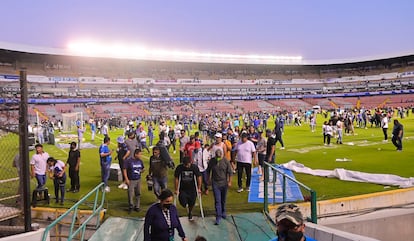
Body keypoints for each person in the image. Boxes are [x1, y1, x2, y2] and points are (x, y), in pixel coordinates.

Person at [206, 149, 233, 225]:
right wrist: (208, 180)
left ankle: (223, 211)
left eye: (219, 157)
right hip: (215, 183)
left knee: (223, 199)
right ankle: (218, 216)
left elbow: (230, 172)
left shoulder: (225, 161)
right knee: (217, 200)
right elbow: (208, 170)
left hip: (224, 183)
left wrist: (229, 181)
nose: (218, 158)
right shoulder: (212, 161)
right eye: (217, 156)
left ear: (222, 155)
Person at [174, 156, 202, 220]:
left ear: (191, 162)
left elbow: (199, 177)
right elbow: (176, 178)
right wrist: (176, 189)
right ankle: (186, 206)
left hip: (192, 188)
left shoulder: (194, 167)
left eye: (188, 165)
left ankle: (190, 212)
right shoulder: (179, 168)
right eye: (185, 165)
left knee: (192, 202)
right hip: (183, 188)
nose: (186, 166)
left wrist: (199, 188)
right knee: (182, 201)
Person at [123, 148, 145, 213]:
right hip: (131, 180)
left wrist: (142, 170)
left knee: (138, 193)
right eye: (139, 154)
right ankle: (131, 206)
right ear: (135, 154)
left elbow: (143, 168)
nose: (140, 156)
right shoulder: (129, 161)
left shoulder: (140, 161)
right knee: (130, 193)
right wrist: (126, 179)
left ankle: (137, 206)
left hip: (138, 179)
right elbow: (124, 170)